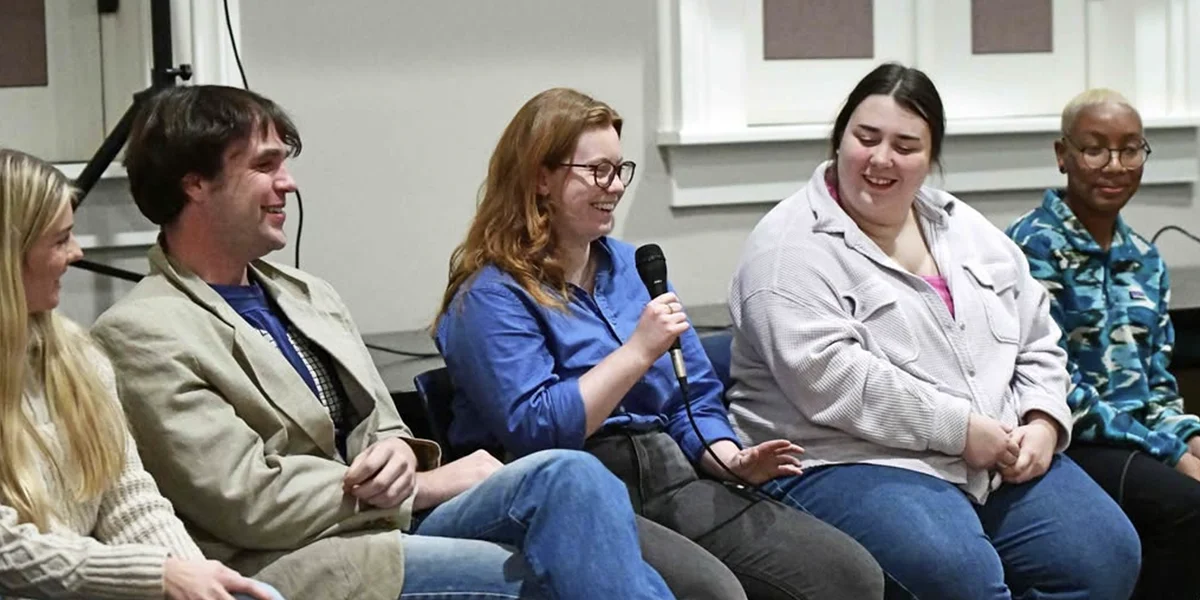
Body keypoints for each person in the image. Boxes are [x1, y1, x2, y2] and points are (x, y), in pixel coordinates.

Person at [88, 85, 674, 600]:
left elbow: (387, 429)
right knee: (550, 571)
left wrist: (400, 455)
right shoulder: (143, 333)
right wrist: (416, 487)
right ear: (195, 183)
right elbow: (249, 500)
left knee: (570, 476)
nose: (287, 184)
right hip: (297, 560)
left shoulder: (307, 294)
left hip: (388, 528)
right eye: (265, 167)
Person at [435, 87, 885, 600]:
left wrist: (728, 457)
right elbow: (537, 429)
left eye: (619, 170)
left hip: (671, 469)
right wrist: (636, 352)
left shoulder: (629, 267)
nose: (614, 187)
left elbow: (691, 396)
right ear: (541, 177)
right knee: (712, 593)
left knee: (848, 575)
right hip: (582, 492)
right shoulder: (491, 296)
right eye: (597, 171)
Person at [726, 63, 1142, 600]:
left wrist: (1041, 419)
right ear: (839, 141)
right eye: (866, 138)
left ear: (930, 157)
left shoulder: (963, 227)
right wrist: (962, 431)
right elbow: (832, 378)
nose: (881, 159)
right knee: (959, 577)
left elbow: (1037, 333)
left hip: (995, 453)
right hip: (846, 456)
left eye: (905, 145)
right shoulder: (786, 247)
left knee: (1102, 556)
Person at [0, 148, 281, 600]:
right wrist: (157, 575)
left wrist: (197, 580)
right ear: (8, 258)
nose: (77, 252)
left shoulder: (78, 357)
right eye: (59, 240)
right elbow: (6, 552)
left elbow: (129, 501)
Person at [1006, 88, 1200, 599]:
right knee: (1186, 505)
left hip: (1137, 437)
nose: (1114, 165)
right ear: (1062, 154)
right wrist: (1171, 451)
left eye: (1130, 149)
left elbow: (1157, 386)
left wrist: (1187, 435)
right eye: (1095, 148)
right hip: (1071, 439)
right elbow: (1056, 387)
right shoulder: (1030, 248)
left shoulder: (1146, 259)